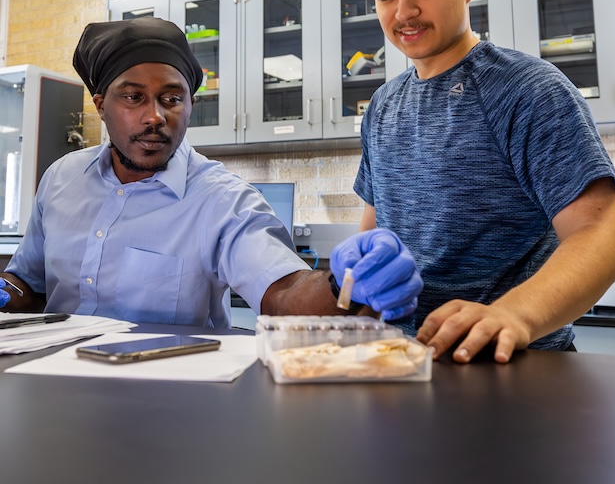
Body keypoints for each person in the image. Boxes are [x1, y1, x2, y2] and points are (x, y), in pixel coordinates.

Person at [334, 0, 615, 363]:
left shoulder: (528, 90)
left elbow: (603, 235)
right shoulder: (383, 107)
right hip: (404, 365)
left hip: (512, 368)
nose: (404, 11)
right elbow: (376, 232)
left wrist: (515, 314)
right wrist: (358, 266)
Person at [0, 17, 423, 327]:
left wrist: (341, 285)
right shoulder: (61, 179)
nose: (155, 117)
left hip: (172, 407)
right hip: (52, 394)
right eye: (133, 97)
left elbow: (282, 292)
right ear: (99, 104)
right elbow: (28, 281)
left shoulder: (223, 200)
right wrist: (7, 291)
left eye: (172, 99)